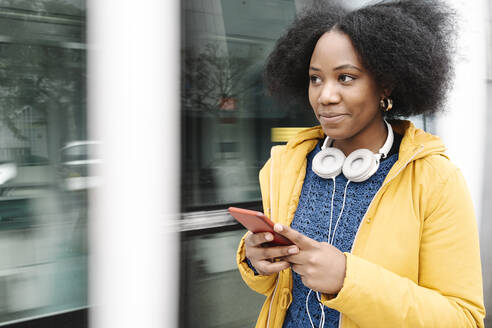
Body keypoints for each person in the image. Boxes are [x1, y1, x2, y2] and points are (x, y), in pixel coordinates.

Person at [235, 0, 486, 327]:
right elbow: (279, 287)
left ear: (385, 85)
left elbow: (463, 319)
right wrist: (256, 260)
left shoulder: (436, 180)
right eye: (315, 79)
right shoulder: (288, 166)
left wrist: (347, 280)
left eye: (346, 78)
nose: (325, 95)